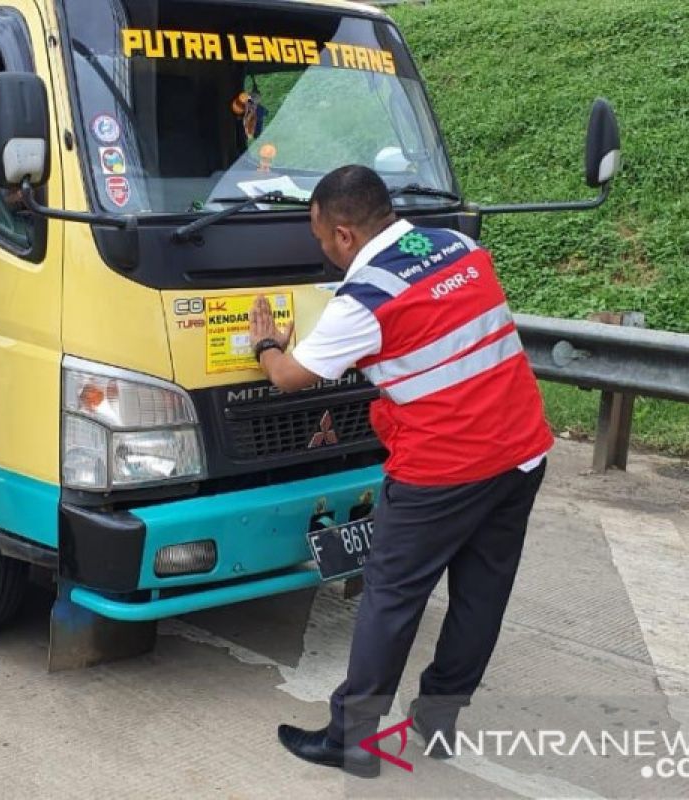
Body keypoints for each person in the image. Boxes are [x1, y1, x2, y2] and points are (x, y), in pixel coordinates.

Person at [249, 165, 552, 778]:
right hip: (522, 451)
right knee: (481, 596)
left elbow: (290, 378)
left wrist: (267, 346)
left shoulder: (363, 300)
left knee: (391, 596)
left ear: (341, 234)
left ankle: (351, 742)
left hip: (444, 470)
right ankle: (439, 719)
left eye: (320, 240)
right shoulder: (454, 245)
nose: (325, 254)